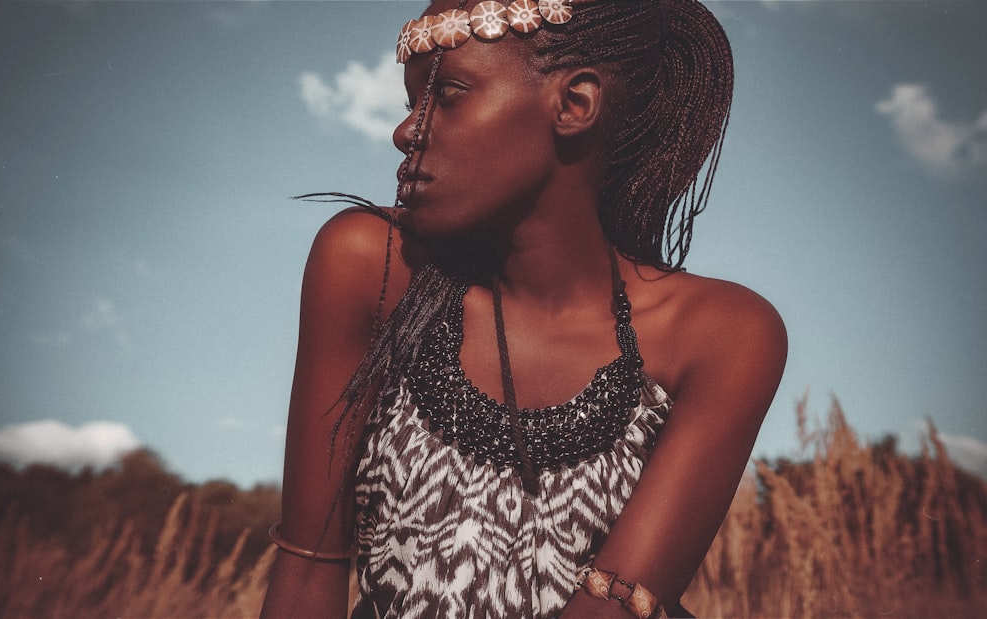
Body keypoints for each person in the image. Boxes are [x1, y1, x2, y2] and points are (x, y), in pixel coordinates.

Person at [261, 0, 786, 617]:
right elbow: (306, 571)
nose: (407, 131)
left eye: (449, 93)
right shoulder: (372, 266)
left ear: (574, 105)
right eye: (411, 103)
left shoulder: (718, 334)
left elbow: (615, 607)